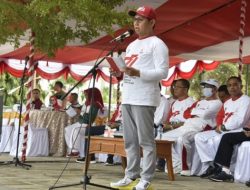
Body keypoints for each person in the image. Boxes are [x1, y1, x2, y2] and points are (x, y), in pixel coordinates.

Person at [110, 5, 169, 190]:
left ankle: (146, 178)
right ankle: (131, 174)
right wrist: (119, 73)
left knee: (146, 141)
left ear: (152, 23)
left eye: (140, 19)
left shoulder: (157, 44)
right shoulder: (131, 45)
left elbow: (163, 72)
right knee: (129, 140)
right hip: (128, 96)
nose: (136, 23)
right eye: (134, 19)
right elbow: (129, 71)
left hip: (144, 98)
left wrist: (138, 73)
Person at [161, 79, 222, 176]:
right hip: (187, 125)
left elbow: (206, 114)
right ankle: (176, 164)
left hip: (201, 128)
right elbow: (186, 113)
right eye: (204, 87)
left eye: (208, 87)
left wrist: (194, 112)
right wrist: (196, 113)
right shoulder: (200, 101)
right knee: (163, 138)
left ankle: (186, 168)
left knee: (182, 139)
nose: (205, 89)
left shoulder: (218, 103)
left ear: (214, 90)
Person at [194, 76, 250, 178]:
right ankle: (213, 164)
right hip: (223, 128)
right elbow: (220, 116)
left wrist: (223, 127)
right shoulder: (227, 102)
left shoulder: (246, 100)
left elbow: (240, 120)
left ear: (241, 86)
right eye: (229, 85)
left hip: (239, 129)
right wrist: (220, 125)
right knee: (199, 137)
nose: (232, 87)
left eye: (235, 85)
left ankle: (221, 168)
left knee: (216, 140)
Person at [156, 79, 194, 172]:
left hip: (185, 128)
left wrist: (172, 127)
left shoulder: (191, 103)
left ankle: (177, 164)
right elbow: (169, 119)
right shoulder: (175, 102)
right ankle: (171, 164)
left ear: (185, 90)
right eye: (174, 86)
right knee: (159, 137)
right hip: (172, 129)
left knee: (162, 138)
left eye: (178, 87)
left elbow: (188, 122)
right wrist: (166, 125)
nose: (175, 89)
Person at [64, 88, 105, 159]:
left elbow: (90, 119)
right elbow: (83, 115)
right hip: (81, 122)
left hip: (88, 124)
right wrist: (78, 112)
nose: (85, 97)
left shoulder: (95, 104)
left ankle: (75, 151)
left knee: (75, 130)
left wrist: (80, 112)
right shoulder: (87, 103)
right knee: (67, 129)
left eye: (86, 95)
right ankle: (74, 149)